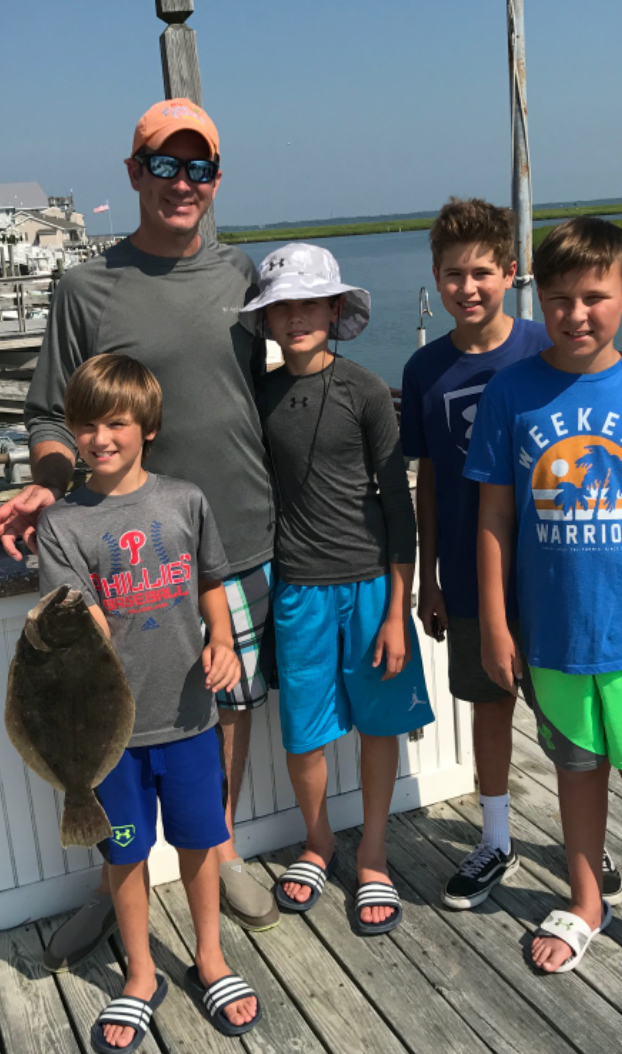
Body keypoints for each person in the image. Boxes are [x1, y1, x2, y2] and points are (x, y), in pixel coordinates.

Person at [0, 99, 281, 961]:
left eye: (199, 169)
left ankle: (215, 848)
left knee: (226, 702)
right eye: (165, 165)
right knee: (112, 722)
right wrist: (47, 486)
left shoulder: (241, 276)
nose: (182, 184)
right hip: (116, 552)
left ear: (215, 181)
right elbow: (49, 413)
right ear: (134, 173)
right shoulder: (85, 287)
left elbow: (279, 388)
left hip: (237, 534)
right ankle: (113, 885)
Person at [400, 198, 622, 911]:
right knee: (490, 704)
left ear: (512, 275)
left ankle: (590, 847)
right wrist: (430, 573)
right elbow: (429, 476)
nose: (468, 288)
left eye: (482, 273)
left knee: (587, 718)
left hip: (565, 572)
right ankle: (496, 837)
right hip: (473, 565)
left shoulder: (542, 340)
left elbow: (607, 359)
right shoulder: (425, 367)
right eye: (454, 275)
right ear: (436, 279)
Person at [465, 217, 622, 994]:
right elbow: (495, 518)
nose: (577, 314)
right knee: (575, 771)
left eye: (595, 297)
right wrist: (498, 623)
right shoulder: (511, 390)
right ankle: (586, 900)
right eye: (562, 298)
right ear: (543, 297)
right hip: (556, 635)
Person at [36, 353, 262, 1051]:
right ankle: (140, 973)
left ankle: (210, 957)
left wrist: (223, 642)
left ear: (147, 429)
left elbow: (211, 584)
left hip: (192, 718)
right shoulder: (62, 524)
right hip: (108, 738)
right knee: (124, 854)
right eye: (85, 426)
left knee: (200, 844)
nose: (99, 439)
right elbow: (75, 621)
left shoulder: (185, 500)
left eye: (115, 423)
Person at [242, 244, 431, 935]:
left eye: (308, 302)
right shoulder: (255, 397)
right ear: (266, 319)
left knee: (379, 724)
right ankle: (319, 842)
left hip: (372, 589)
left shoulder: (365, 391)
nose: (296, 316)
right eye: (281, 306)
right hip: (298, 590)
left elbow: (398, 508)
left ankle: (374, 854)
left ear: (334, 309)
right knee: (306, 734)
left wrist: (396, 609)